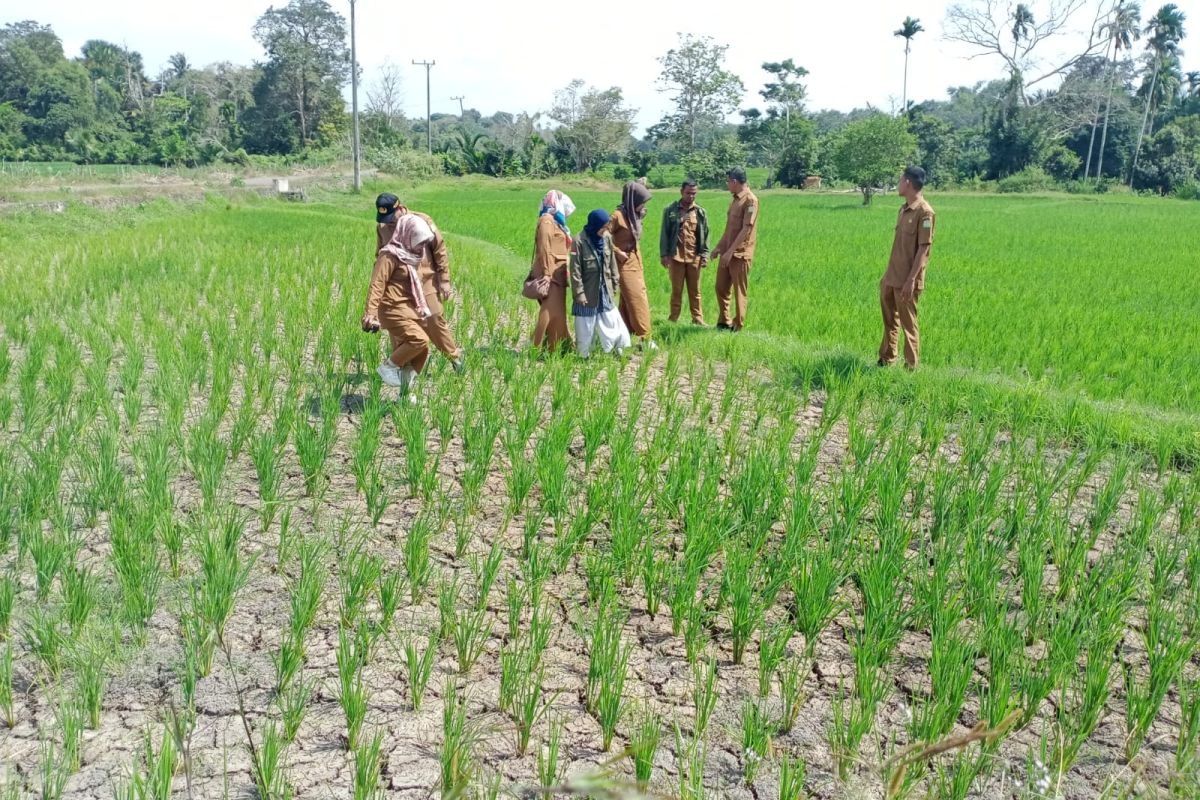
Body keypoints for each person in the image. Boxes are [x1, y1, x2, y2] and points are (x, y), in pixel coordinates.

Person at [362, 214, 449, 400]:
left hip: (410, 309)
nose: (420, 247)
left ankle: (404, 394)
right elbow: (376, 285)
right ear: (406, 235)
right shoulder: (389, 256)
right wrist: (370, 314)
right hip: (393, 309)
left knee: (421, 352)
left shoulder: (411, 256)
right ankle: (388, 366)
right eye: (417, 242)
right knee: (418, 340)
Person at [374, 193, 463, 372]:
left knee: (435, 319)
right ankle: (404, 369)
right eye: (385, 218)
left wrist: (444, 279)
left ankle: (454, 357)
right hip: (400, 286)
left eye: (392, 217)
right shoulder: (382, 227)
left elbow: (439, 248)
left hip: (425, 280)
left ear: (400, 208)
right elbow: (380, 255)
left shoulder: (421, 220)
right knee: (402, 328)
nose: (389, 222)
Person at [878, 166, 936, 370]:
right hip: (891, 277)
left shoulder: (925, 213)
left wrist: (911, 280)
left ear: (908, 183)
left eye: (900, 180)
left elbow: (924, 249)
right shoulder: (903, 209)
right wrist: (886, 277)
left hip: (907, 280)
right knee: (889, 321)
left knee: (908, 324)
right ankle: (886, 358)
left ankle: (910, 368)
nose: (898, 184)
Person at [569, 209, 630, 357]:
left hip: (604, 289)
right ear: (595, 226)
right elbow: (575, 271)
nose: (605, 230)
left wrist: (615, 283)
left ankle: (614, 350)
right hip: (587, 291)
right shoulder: (579, 241)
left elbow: (612, 264)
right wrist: (579, 294)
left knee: (611, 320)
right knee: (585, 325)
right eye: (602, 227)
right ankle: (583, 355)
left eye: (606, 227)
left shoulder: (607, 238)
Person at [711, 167, 759, 332]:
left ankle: (738, 325)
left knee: (739, 291)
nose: (727, 185)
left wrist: (730, 252)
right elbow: (729, 229)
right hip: (727, 253)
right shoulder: (735, 200)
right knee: (721, 287)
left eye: (728, 181)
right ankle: (724, 320)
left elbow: (746, 229)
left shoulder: (750, 201)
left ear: (734, 181)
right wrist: (719, 248)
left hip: (739, 254)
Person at [610, 181, 656, 350]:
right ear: (632, 200)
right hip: (624, 263)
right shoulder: (617, 216)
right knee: (637, 298)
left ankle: (623, 336)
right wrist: (616, 251)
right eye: (641, 202)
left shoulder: (634, 215)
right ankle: (645, 338)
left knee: (626, 301)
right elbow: (602, 236)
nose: (643, 206)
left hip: (636, 260)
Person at [659, 180, 710, 326]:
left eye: (694, 193)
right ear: (681, 192)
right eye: (688, 193)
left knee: (695, 291)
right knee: (676, 291)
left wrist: (704, 255)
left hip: (694, 257)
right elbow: (665, 233)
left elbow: (705, 235)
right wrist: (664, 255)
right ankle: (673, 318)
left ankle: (698, 319)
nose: (691, 196)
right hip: (676, 257)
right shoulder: (671, 210)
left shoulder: (700, 212)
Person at [531, 189, 576, 352]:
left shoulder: (557, 223)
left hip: (558, 273)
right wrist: (547, 273)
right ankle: (536, 345)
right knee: (550, 310)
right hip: (550, 273)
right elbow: (544, 248)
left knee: (558, 311)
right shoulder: (547, 221)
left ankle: (557, 345)